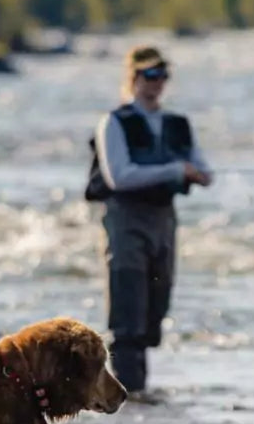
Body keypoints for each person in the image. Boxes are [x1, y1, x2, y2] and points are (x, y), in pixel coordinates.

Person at [90, 46, 213, 398]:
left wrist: (195, 173)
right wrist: (176, 170)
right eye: (149, 76)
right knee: (127, 314)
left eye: (162, 76)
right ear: (133, 78)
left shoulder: (178, 124)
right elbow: (119, 177)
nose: (156, 83)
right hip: (125, 221)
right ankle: (130, 395)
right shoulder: (114, 122)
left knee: (155, 310)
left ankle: (140, 393)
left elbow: (205, 170)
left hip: (164, 221)